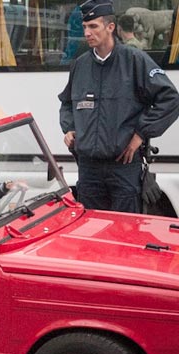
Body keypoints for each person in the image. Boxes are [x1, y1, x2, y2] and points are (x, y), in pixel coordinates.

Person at [59, 0, 179, 213]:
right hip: (89, 171)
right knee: (92, 231)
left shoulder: (134, 60)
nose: (87, 32)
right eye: (85, 27)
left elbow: (170, 99)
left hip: (123, 168)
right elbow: (67, 103)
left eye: (93, 26)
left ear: (110, 27)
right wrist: (69, 128)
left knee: (125, 232)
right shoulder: (80, 65)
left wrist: (141, 134)